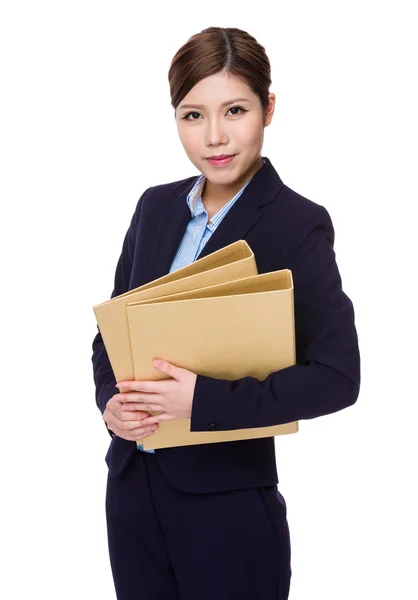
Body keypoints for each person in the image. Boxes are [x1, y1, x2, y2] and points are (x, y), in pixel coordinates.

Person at [91, 26, 360, 600]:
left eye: (234, 110)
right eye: (192, 115)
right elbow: (109, 333)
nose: (214, 136)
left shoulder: (296, 224)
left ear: (268, 109)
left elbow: (338, 376)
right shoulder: (156, 207)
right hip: (133, 493)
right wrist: (112, 403)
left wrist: (202, 401)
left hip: (227, 508)